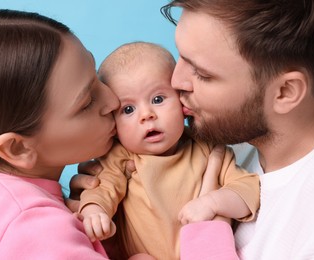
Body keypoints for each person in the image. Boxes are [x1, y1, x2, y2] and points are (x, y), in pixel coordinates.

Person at [70, 0, 314, 259]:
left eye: (203, 74)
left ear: (284, 92)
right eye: (180, 56)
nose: (175, 80)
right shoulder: (229, 137)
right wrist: (98, 219)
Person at [0, 8, 146, 259]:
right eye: (86, 103)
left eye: (97, 77)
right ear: (17, 148)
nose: (113, 101)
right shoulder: (39, 229)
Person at [78, 41, 260, 260]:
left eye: (158, 99)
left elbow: (249, 190)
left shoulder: (206, 147)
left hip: (206, 250)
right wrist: (94, 210)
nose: (146, 115)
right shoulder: (120, 158)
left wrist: (213, 203)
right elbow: (102, 188)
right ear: (114, 125)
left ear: (182, 103)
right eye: (128, 109)